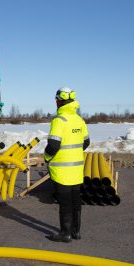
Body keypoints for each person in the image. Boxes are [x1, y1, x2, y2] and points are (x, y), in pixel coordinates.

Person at [44, 87, 90, 243]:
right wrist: (74, 153)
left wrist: (47, 157)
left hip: (62, 171)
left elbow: (53, 145)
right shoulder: (79, 120)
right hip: (76, 169)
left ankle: (65, 234)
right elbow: (86, 142)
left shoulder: (59, 121)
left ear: (59, 100)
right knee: (76, 201)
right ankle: (76, 232)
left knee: (65, 203)